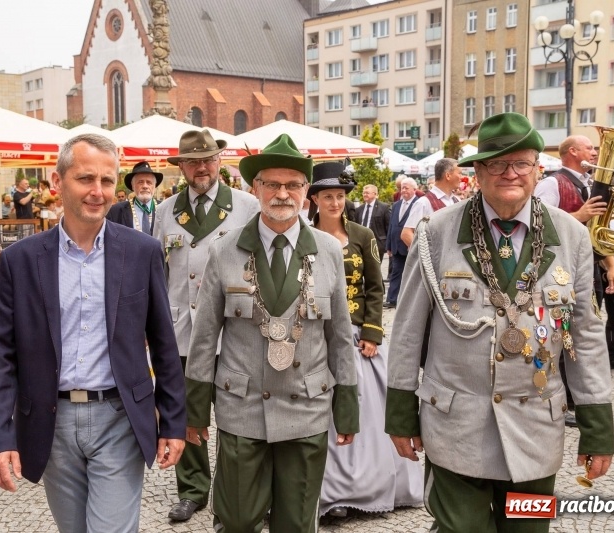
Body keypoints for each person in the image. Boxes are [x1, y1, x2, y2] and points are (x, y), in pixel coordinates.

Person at [386, 112, 614, 533]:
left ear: (536, 168)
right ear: (477, 172)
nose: (510, 173)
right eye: (496, 163)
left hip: (536, 432)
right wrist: (400, 412)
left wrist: (597, 426)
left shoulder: (571, 236)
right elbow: (407, 329)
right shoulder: (436, 232)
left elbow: (584, 335)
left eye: (521, 163)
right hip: (455, 428)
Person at [0, 133, 186, 532]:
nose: (98, 191)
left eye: (107, 181)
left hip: (120, 417)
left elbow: (164, 341)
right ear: (58, 182)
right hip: (50, 421)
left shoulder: (141, 251)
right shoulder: (18, 261)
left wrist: (174, 421)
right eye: (85, 179)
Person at [185, 134, 359, 533]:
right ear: (255, 188)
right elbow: (205, 336)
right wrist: (194, 410)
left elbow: (340, 338)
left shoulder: (329, 251)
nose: (283, 194)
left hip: (307, 409)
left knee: (297, 522)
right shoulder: (225, 250)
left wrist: (347, 407)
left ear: (306, 194)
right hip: (242, 408)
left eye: (294, 185)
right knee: (237, 519)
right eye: (272, 184)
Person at [154, 129, 259, 522]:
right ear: (181, 167)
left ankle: (238, 489)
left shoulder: (247, 206)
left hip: (235, 330)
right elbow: (157, 273)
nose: (202, 167)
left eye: (209, 159)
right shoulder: (166, 212)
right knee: (184, 413)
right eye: (193, 161)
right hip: (182, 330)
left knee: (239, 414)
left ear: (220, 162)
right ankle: (193, 488)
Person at [308, 161, 422, 518]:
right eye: (327, 196)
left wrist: (372, 331)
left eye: (340, 196)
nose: (335, 203)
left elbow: (376, 287)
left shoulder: (362, 236)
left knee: (366, 412)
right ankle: (325, 490)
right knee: (320, 414)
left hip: (358, 338)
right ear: (314, 199)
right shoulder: (303, 236)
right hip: (315, 337)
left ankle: (360, 488)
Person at [534, 136, 614, 406]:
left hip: (589, 268)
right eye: (591, 147)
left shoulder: (591, 184)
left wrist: (610, 266)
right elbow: (538, 222)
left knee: (583, 334)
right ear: (573, 152)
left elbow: (599, 232)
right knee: (560, 335)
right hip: (558, 272)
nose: (596, 152)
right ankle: (558, 396)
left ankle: (579, 397)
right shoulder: (552, 183)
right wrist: (580, 215)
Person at [401, 158, 462, 247]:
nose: (461, 177)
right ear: (448, 176)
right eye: (459, 173)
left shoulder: (456, 200)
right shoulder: (423, 203)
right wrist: (427, 258)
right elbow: (406, 234)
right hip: (436, 259)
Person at [384, 177, 420, 308]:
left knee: (411, 275)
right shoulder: (396, 205)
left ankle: (409, 301)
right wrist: (388, 245)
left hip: (411, 245)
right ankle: (392, 299)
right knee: (396, 273)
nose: (403, 190)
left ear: (414, 189)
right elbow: (392, 227)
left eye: (406, 188)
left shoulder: (419, 203)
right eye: (402, 188)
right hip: (396, 246)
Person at [106, 161, 163, 235]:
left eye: (149, 182)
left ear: (154, 186)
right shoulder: (116, 211)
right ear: (132, 186)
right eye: (140, 182)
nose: (145, 186)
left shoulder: (164, 209)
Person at [353, 184, 390, 253]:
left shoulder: (384, 208)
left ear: (375, 194)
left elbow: (388, 226)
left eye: (367, 193)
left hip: (377, 244)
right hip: (361, 243)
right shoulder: (359, 209)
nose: (365, 195)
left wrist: (389, 245)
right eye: (364, 193)